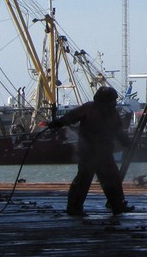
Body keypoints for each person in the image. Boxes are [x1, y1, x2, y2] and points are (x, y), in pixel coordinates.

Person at [48, 86, 134, 216]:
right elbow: (71, 117)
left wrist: (127, 142)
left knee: (113, 180)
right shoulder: (89, 108)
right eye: (112, 101)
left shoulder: (113, 114)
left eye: (114, 101)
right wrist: (58, 123)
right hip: (89, 153)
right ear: (104, 101)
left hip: (104, 153)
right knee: (83, 180)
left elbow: (118, 132)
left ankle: (117, 205)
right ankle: (74, 208)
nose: (114, 104)